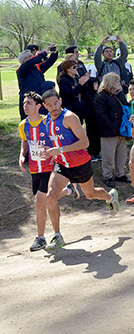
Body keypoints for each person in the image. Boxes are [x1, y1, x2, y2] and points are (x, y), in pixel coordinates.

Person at [41, 89, 120, 250]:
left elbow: (85, 143)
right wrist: (48, 151)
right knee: (50, 197)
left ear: (60, 100)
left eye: (55, 103)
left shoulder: (69, 118)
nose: (53, 107)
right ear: (44, 106)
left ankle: (110, 197)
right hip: (62, 164)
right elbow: (56, 143)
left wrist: (61, 149)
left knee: (90, 194)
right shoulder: (46, 121)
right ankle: (57, 236)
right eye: (49, 105)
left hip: (80, 163)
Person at [19, 92, 73, 251]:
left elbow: (59, 139)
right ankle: (43, 238)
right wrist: (22, 156)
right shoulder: (23, 125)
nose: (25, 106)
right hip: (35, 169)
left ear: (38, 106)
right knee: (41, 204)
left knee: (39, 201)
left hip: (51, 168)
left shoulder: (47, 121)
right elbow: (25, 142)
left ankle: (45, 236)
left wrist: (56, 154)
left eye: (28, 103)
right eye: (24, 103)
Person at [94, 73, 129, 188]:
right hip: (108, 132)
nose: (119, 84)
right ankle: (107, 176)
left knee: (121, 155)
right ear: (111, 83)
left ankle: (120, 174)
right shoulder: (101, 97)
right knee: (108, 156)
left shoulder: (119, 95)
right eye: (117, 82)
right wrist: (111, 126)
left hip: (121, 130)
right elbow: (101, 115)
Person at [17, 45, 59, 119]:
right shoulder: (21, 70)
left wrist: (54, 54)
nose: (34, 56)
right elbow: (31, 61)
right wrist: (44, 53)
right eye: (30, 56)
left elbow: (49, 62)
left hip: (39, 99)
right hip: (28, 101)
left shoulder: (37, 68)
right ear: (24, 60)